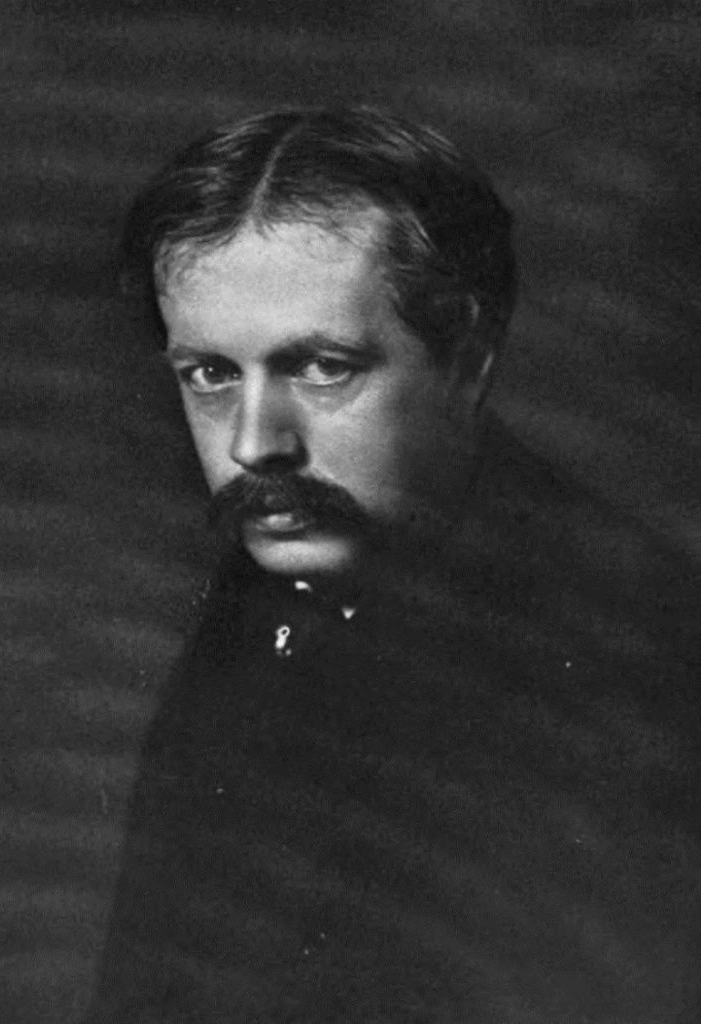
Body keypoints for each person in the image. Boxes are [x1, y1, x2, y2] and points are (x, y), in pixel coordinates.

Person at [87, 107, 699, 1023]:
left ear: (467, 362)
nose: (255, 445)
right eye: (210, 374)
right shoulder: (272, 581)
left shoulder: (631, 662)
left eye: (321, 367)